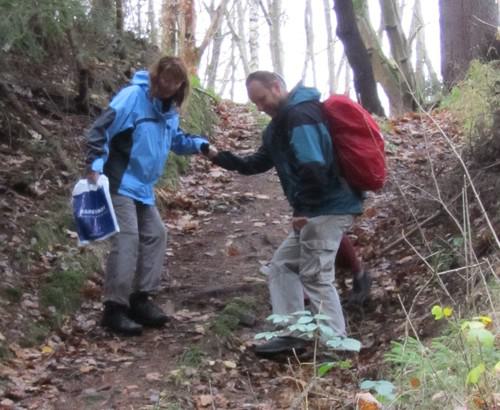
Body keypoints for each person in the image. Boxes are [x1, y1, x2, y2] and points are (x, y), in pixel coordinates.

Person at [206, 71, 364, 354]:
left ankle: (337, 345)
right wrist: (218, 156)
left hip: (326, 207)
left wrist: (303, 209)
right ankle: (294, 336)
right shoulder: (279, 125)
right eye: (255, 103)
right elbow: (255, 163)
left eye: (262, 99)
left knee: (316, 276)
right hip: (317, 208)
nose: (260, 107)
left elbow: (313, 166)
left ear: (277, 87)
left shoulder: (301, 116)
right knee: (282, 267)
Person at [85, 56, 210, 336]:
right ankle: (113, 308)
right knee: (127, 238)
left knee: (156, 234)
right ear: (156, 76)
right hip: (118, 179)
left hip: (142, 187)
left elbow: (176, 140)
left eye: (175, 83)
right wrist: (94, 166)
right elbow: (100, 130)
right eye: (165, 80)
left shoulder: (169, 110)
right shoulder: (132, 97)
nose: (169, 86)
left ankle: (140, 299)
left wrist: (200, 145)